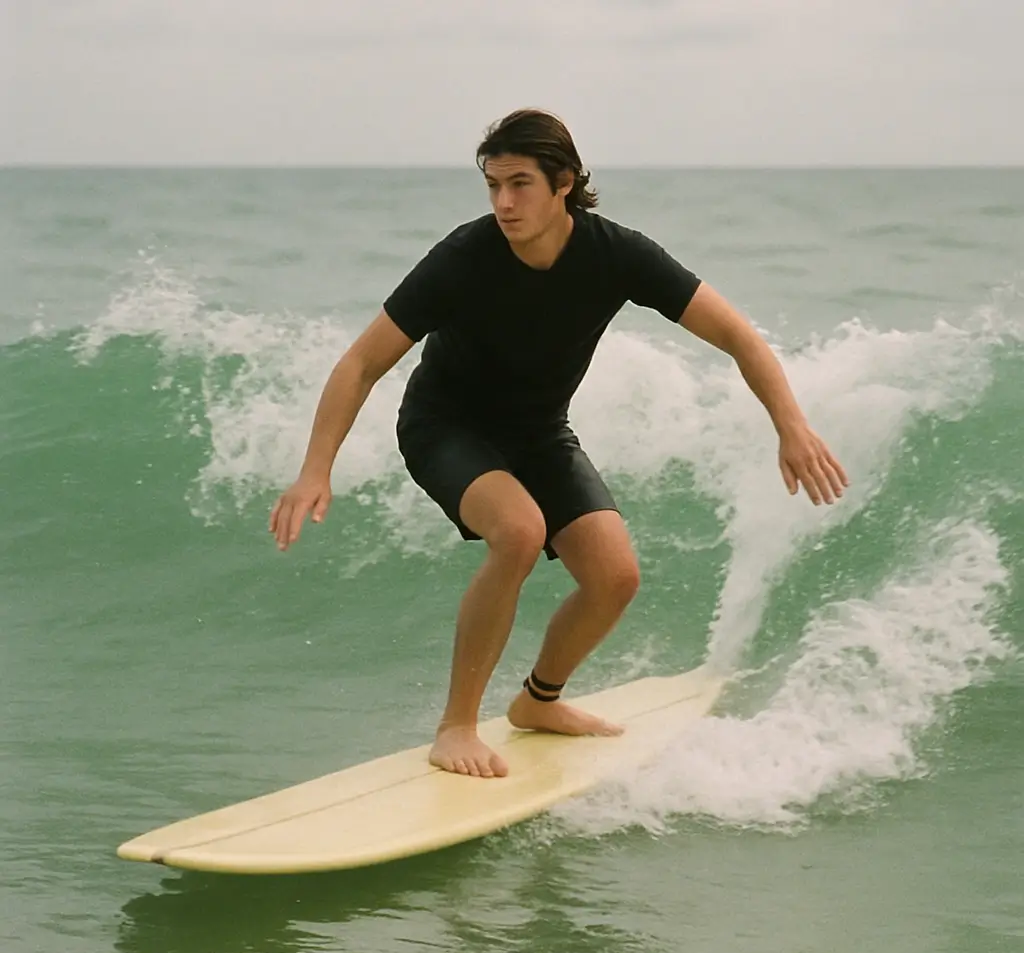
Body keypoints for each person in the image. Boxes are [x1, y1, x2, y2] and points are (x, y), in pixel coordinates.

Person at [270, 108, 849, 780]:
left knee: (614, 578)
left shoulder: (616, 254)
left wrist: (792, 425)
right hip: (445, 426)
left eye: (519, 184)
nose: (504, 203)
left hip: (539, 433)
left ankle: (538, 702)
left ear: (564, 182)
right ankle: (455, 726)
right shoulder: (464, 258)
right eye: (493, 186)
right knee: (518, 531)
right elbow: (361, 363)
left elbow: (739, 336)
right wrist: (317, 468)